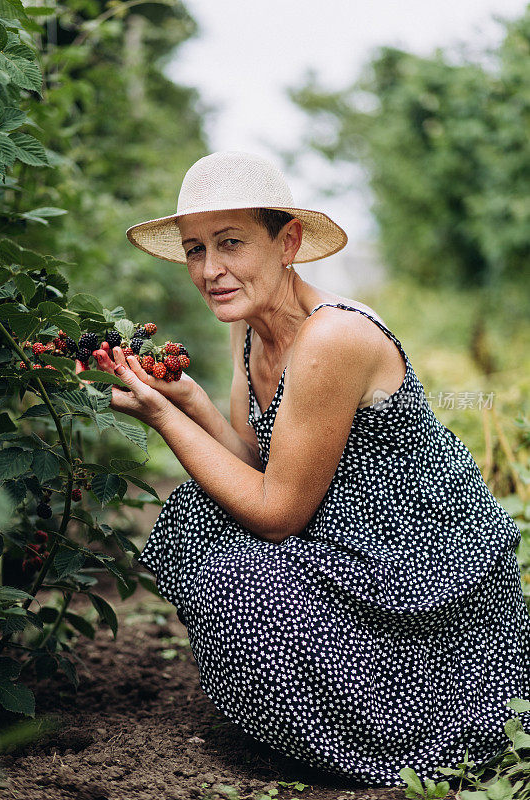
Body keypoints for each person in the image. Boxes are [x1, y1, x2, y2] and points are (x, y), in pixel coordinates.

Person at [88, 151, 530, 787]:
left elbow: (275, 511)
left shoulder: (334, 339)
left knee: (242, 568)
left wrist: (164, 420)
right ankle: (301, 714)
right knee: (198, 520)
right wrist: (190, 402)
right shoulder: (249, 327)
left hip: (420, 584)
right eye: (194, 250)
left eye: (231, 243)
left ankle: (385, 727)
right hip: (345, 548)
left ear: (287, 241)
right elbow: (251, 464)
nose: (210, 271)